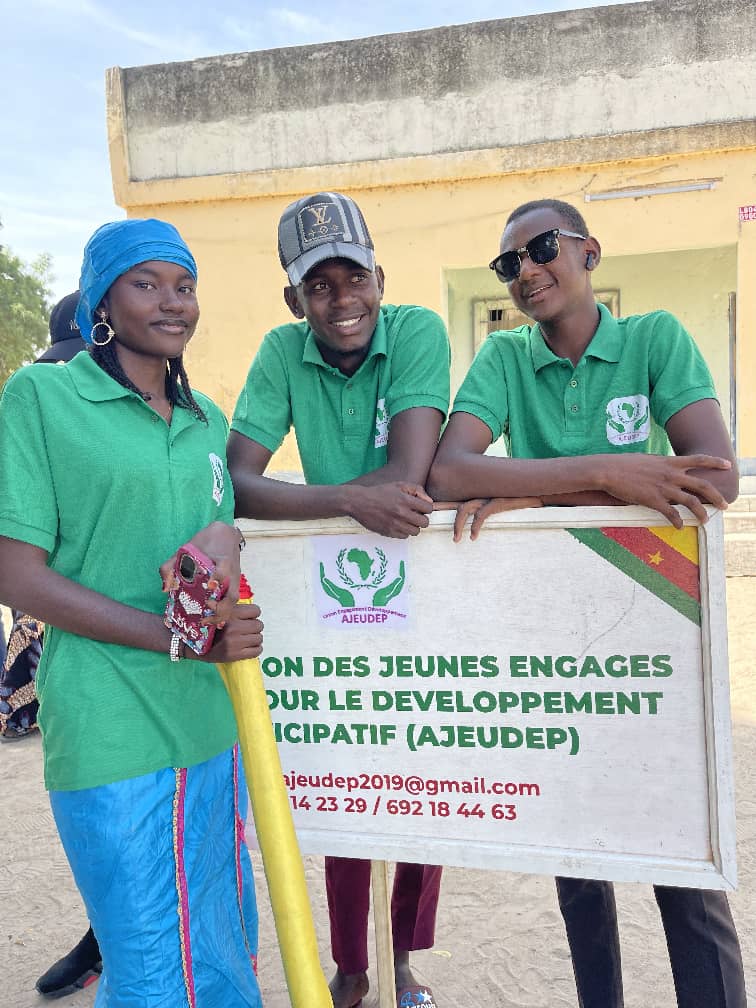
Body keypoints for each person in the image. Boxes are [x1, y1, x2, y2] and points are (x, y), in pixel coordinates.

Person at [427, 198, 745, 1008]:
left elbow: (714, 476)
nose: (527, 271)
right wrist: (608, 474)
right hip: (552, 641)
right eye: (509, 264)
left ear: (588, 252)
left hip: (655, 624)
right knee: (578, 860)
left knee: (683, 861)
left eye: (541, 249)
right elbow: (448, 475)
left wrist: (532, 492)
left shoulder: (654, 340)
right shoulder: (502, 358)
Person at [0, 219, 264, 1008]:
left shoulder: (207, 421)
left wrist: (227, 542)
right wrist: (178, 640)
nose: (172, 302)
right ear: (103, 300)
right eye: (146, 283)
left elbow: (214, 532)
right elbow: (17, 574)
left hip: (211, 724)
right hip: (110, 723)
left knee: (223, 944)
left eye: (184, 285)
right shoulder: (43, 396)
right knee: (149, 961)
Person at [228, 191, 450, 1008]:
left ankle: (402, 961)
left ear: (380, 279)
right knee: (350, 771)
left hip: (425, 577)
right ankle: (354, 967)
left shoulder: (418, 329)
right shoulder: (282, 352)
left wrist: (340, 494)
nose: (341, 299)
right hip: (334, 590)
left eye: (352, 276)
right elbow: (236, 483)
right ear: (295, 301)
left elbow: (413, 478)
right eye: (318, 286)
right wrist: (349, 501)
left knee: (427, 766)